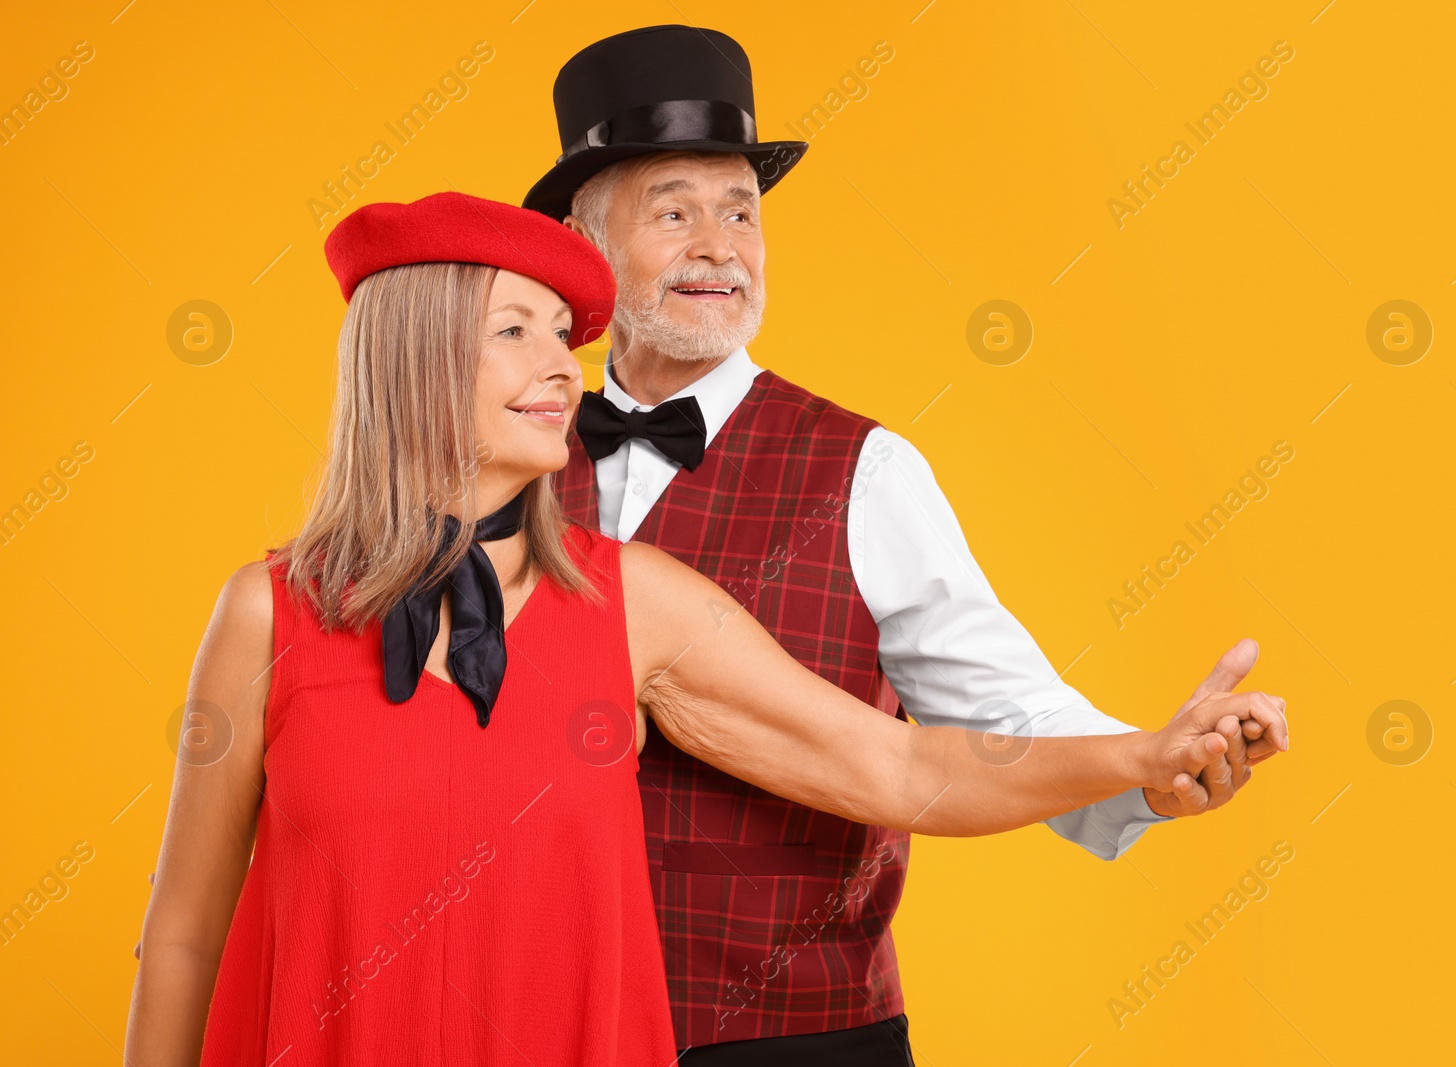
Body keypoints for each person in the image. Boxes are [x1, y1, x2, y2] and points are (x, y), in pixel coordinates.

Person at [123, 190, 1289, 1066]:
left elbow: (896, 760)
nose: (563, 372)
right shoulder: (264, 609)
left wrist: (1137, 755)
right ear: (411, 364)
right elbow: (182, 930)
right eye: (516, 334)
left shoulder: (636, 603)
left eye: (563, 340)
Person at [521, 24, 1284, 1063]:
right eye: (674, 212)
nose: (720, 246)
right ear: (583, 239)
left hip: (798, 1037)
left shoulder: (865, 470)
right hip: (533, 1022)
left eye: (742, 212)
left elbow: (1003, 711)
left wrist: (1147, 764)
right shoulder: (504, 453)